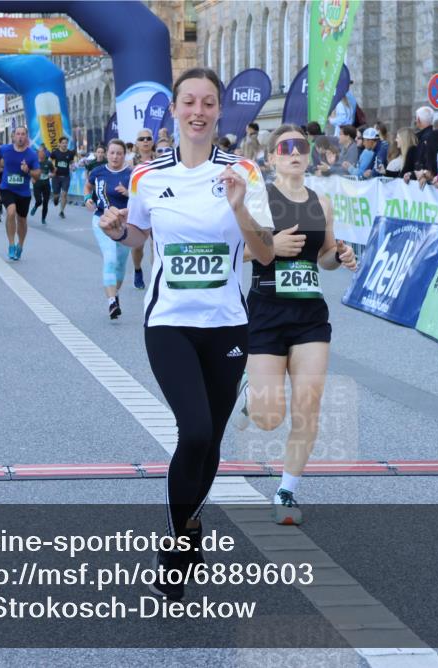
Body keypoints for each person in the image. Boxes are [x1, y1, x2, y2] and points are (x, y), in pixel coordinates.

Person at [97, 67, 274, 602]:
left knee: (212, 439)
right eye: (189, 102)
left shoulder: (244, 171)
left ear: (220, 111)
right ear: (173, 112)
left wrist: (240, 205)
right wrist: (117, 231)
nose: (198, 111)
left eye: (208, 102)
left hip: (227, 325)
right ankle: (179, 542)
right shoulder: (147, 176)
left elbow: (264, 253)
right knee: (194, 431)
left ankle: (189, 521)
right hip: (169, 323)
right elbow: (138, 233)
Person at [232, 124, 357, 525]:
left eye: (301, 146)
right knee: (269, 418)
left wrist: (340, 255)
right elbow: (235, 254)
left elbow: (323, 256)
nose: (294, 152)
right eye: (285, 147)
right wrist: (271, 247)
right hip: (266, 312)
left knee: (308, 406)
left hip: (309, 316)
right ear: (271, 158)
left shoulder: (321, 202)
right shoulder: (258, 198)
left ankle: (286, 491)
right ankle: (250, 394)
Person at [86, 139, 132, 319]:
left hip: (124, 224)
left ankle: (115, 293)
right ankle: (112, 302)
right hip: (101, 220)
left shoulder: (131, 174)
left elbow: (140, 198)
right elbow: (88, 186)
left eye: (119, 153)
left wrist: (128, 194)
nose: (115, 156)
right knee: (110, 258)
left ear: (124, 155)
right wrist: (87, 198)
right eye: (112, 153)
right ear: (107, 154)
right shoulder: (98, 172)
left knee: (120, 264)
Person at [0, 126, 41, 260]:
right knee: (10, 212)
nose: (20, 137)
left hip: (23, 192)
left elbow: (37, 175)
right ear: (14, 136)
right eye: (18, 134)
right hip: (7, 188)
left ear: (26, 137)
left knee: (22, 220)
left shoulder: (31, 154)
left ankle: (20, 245)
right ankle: (11, 244)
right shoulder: (5, 149)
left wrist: (28, 171)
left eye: (23, 134)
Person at [129, 128, 157, 289]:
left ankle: (155, 281)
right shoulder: (130, 163)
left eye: (148, 138)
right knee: (138, 246)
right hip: (138, 208)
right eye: (142, 139)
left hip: (155, 207)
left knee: (156, 245)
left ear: (152, 142)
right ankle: (137, 269)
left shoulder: (160, 161)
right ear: (137, 143)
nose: (145, 141)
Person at [406, 107, 438, 185]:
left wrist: (420, 174)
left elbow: (425, 161)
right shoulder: (434, 136)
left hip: (429, 181)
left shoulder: (424, 139)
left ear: (418, 120)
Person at [49, 136, 76, 220]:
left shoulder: (70, 153)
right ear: (59, 144)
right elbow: (49, 161)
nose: (65, 144)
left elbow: (72, 162)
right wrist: (51, 170)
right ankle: (56, 198)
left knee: (64, 194)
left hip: (66, 177)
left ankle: (61, 211)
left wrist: (73, 166)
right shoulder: (55, 153)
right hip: (56, 177)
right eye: (63, 143)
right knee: (56, 194)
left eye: (66, 143)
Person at [30, 146, 53, 224]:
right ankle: (36, 206)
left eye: (42, 151)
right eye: (39, 151)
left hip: (46, 184)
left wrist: (51, 174)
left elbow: (53, 171)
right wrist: (32, 178)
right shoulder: (34, 162)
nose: (40, 153)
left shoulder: (48, 163)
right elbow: (29, 171)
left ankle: (43, 218)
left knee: (45, 202)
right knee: (39, 201)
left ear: (45, 152)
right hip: (37, 184)